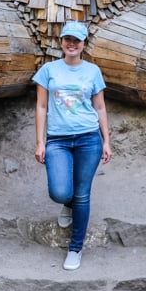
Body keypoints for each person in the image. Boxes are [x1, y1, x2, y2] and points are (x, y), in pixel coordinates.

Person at [33, 21, 111, 270]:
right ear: (61, 42)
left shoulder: (93, 71)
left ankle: (75, 249)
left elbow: (99, 107)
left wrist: (106, 140)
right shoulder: (48, 70)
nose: (72, 44)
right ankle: (66, 204)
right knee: (61, 192)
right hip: (58, 139)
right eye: (68, 39)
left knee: (82, 194)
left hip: (89, 138)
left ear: (84, 44)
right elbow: (41, 107)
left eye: (77, 40)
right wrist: (40, 142)